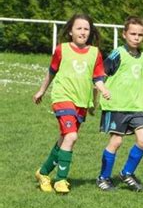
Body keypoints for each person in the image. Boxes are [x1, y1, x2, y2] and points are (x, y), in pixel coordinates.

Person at [33, 13, 110, 194]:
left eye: (86, 29)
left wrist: (102, 90)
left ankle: (43, 173)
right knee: (72, 137)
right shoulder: (62, 49)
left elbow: (97, 78)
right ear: (70, 32)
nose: (83, 32)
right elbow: (51, 72)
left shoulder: (94, 53)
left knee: (65, 139)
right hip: (62, 98)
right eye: (79, 28)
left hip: (81, 102)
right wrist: (41, 91)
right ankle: (61, 180)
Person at [96, 16, 143, 192]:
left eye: (140, 34)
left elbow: (142, 80)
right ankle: (103, 178)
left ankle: (127, 173)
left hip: (136, 107)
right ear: (124, 34)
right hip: (116, 106)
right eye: (133, 34)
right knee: (116, 142)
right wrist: (98, 94)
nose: (136, 37)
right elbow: (100, 74)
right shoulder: (118, 54)